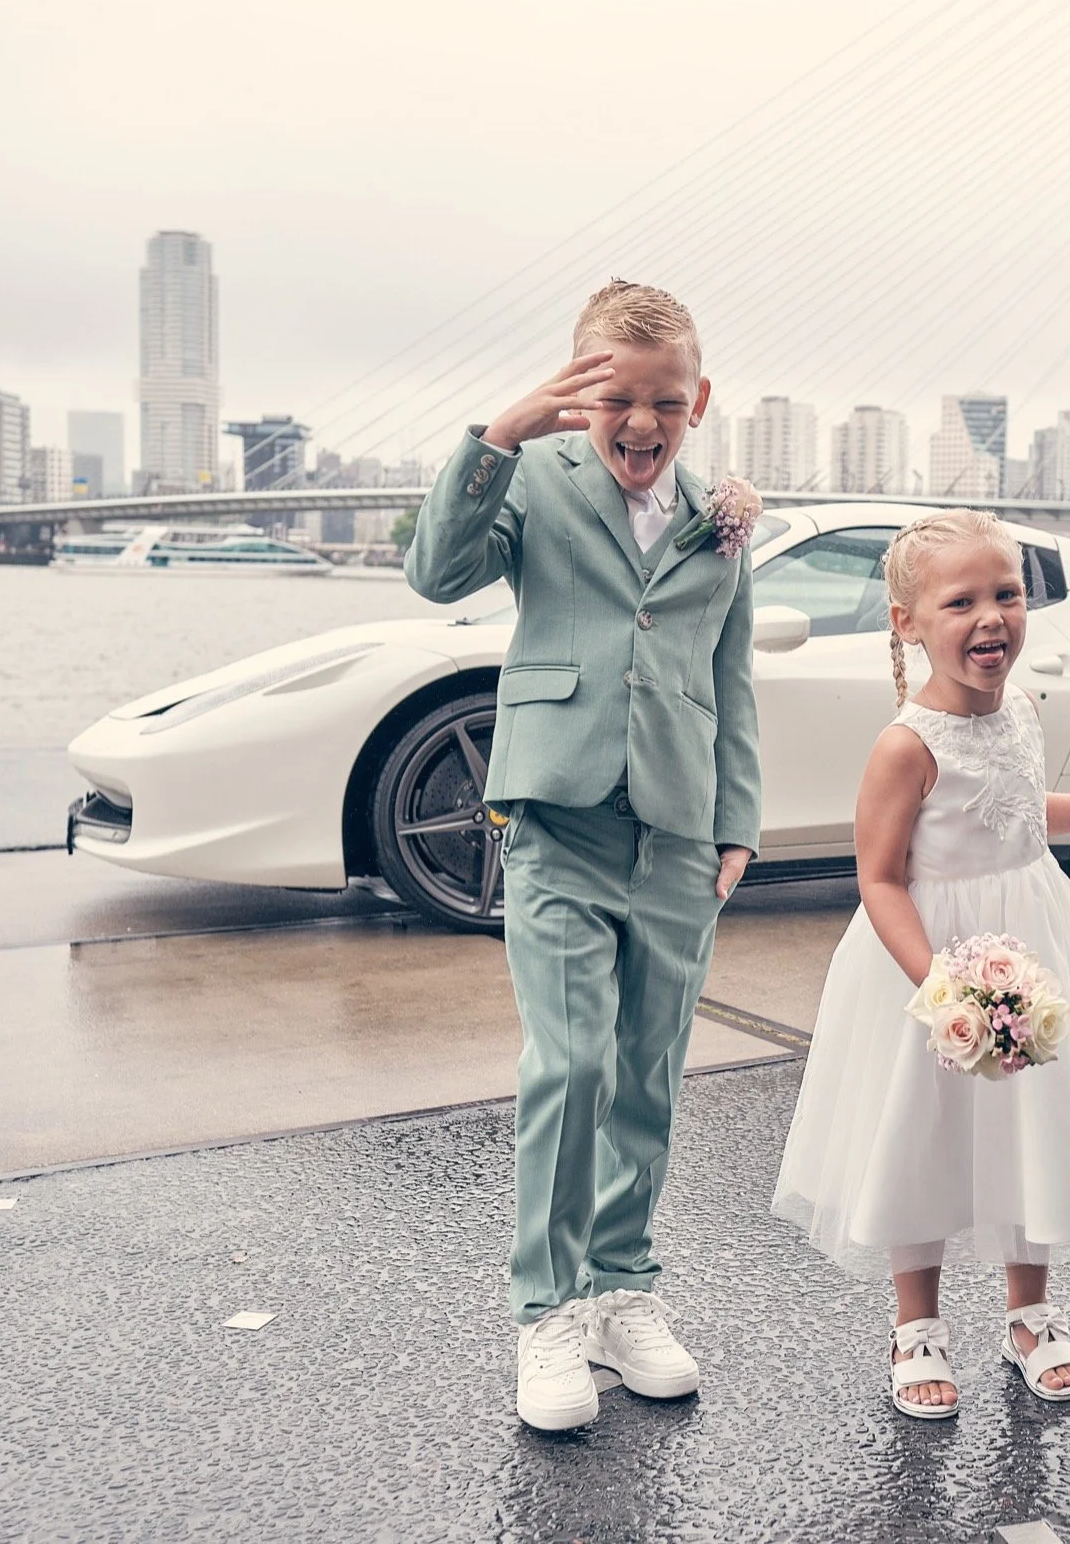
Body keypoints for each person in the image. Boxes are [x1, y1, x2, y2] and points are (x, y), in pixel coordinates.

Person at [405, 280, 763, 1432]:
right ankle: (546, 1311)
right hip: (556, 816)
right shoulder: (535, 484)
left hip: (676, 823)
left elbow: (729, 676)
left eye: (665, 401)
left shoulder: (724, 515)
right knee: (569, 1067)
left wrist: (737, 819)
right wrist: (498, 436)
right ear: (579, 398)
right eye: (616, 400)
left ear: (697, 399)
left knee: (650, 1068)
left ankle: (622, 1289)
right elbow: (436, 571)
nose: (641, 424)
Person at [770, 510, 1070, 1419]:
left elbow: (1016, 811)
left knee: (1033, 1120)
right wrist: (945, 988)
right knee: (926, 1130)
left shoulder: (1020, 708)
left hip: (1031, 937)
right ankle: (918, 1326)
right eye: (962, 602)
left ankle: (1030, 1311)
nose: (991, 618)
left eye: (1007, 595)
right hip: (932, 964)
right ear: (907, 623)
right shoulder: (907, 746)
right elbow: (880, 878)